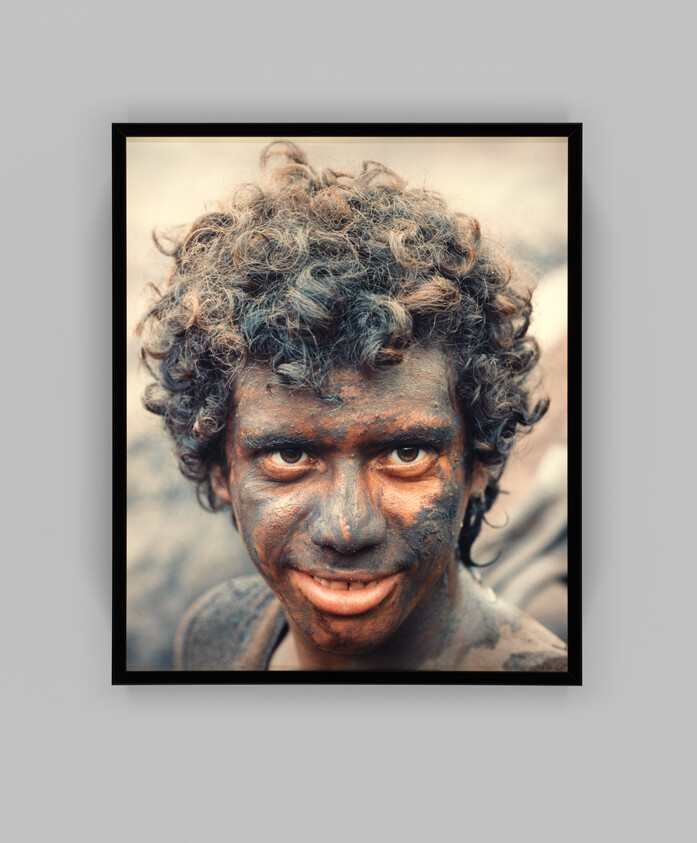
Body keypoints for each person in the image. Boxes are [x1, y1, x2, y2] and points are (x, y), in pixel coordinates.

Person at [137, 141, 568, 672]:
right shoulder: (217, 636)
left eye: (407, 453)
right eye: (289, 456)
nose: (346, 530)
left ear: (478, 463)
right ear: (220, 468)